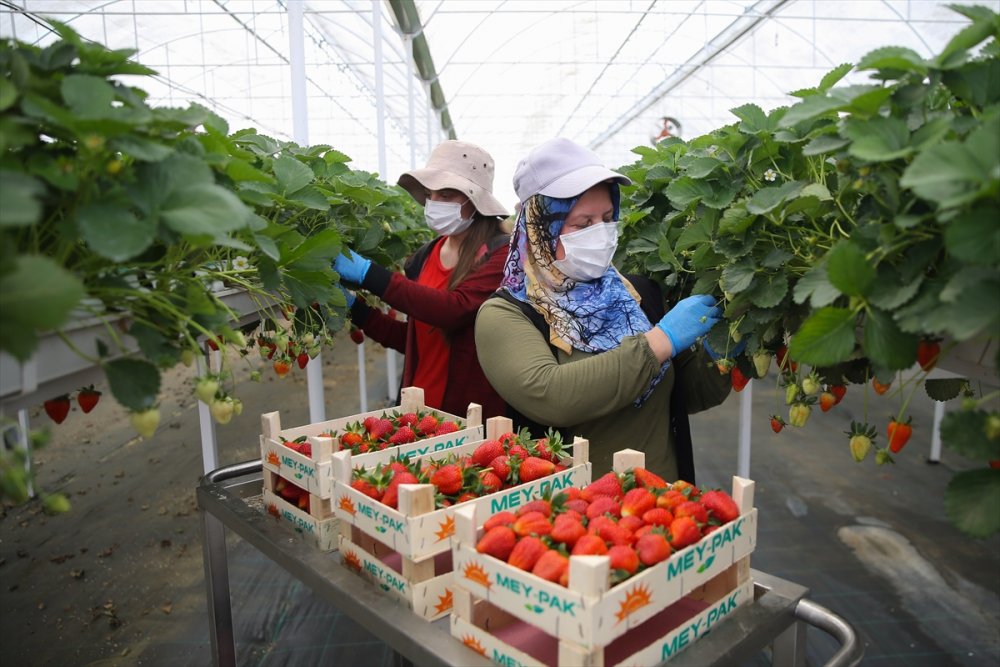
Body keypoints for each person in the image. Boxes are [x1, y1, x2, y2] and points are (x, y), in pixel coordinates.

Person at [474, 138, 731, 481]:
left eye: (607, 218)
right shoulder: (507, 314)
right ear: (540, 228)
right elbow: (553, 396)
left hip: (665, 507)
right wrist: (660, 341)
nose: (601, 233)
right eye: (582, 224)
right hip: (578, 516)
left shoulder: (636, 295)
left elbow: (686, 395)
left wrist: (720, 356)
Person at [334, 140, 511, 419]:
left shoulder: (500, 256)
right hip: (416, 414)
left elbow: (452, 310)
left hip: (467, 418)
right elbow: (416, 339)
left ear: (474, 200)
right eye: (430, 194)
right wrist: (353, 308)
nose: (434, 203)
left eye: (446, 195)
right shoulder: (425, 256)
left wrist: (369, 274)